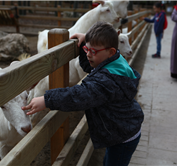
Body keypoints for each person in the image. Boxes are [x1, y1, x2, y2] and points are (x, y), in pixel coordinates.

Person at [22, 22, 144, 166]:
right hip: (122, 128)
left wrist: (47, 99)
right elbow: (92, 66)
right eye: (87, 49)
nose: (88, 54)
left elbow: (78, 96)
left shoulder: (106, 81)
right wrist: (85, 41)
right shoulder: (115, 61)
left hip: (123, 136)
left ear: (110, 51)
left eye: (93, 51)